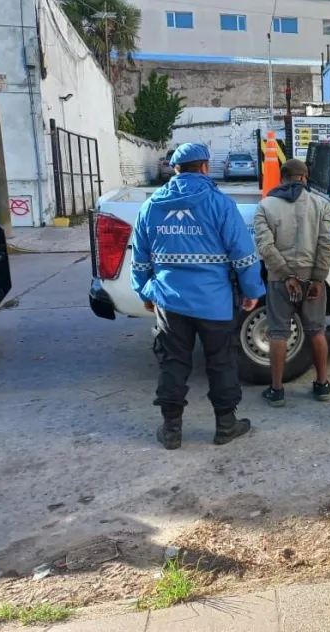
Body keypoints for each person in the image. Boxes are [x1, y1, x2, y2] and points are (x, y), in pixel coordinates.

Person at [131, 142, 264, 450]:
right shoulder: (220, 203)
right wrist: (252, 291)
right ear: (205, 167)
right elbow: (243, 254)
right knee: (221, 362)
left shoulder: (150, 207)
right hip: (214, 303)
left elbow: (139, 259)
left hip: (169, 300)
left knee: (173, 362)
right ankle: (226, 426)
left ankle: (172, 430)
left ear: (174, 169)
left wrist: (144, 291)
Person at [253, 158, 330, 406]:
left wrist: (287, 275)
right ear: (305, 178)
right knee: (317, 331)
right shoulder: (322, 205)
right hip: (312, 277)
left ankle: (277, 391)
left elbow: (265, 246)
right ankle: (322, 385)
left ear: (282, 177)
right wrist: (318, 279)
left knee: (278, 332)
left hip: (280, 279)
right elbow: (325, 245)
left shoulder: (265, 206)